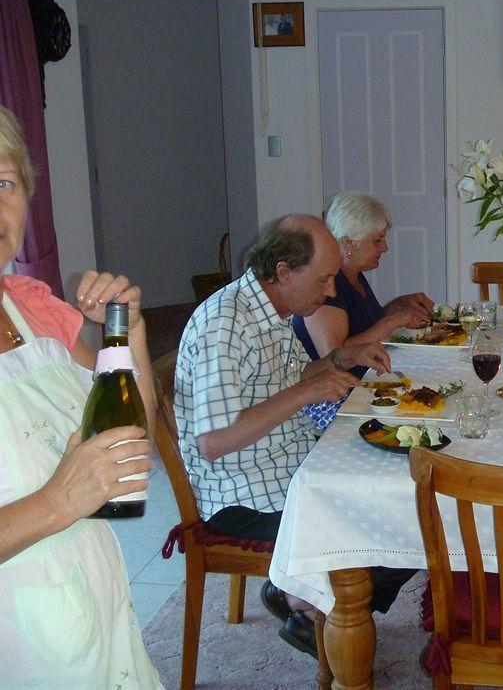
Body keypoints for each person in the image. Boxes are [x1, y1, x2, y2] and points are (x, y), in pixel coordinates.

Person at [174, 214, 413, 657]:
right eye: (323, 280)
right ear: (283, 272)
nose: (329, 291)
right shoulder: (225, 324)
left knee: (407, 498)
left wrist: (342, 357)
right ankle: (307, 605)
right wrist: (308, 391)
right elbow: (214, 441)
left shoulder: (271, 308)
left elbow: (287, 377)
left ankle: (301, 597)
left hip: (289, 460)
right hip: (242, 497)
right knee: (395, 527)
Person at [0, 106, 162, 687]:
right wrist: (58, 500)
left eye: (5, 181)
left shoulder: (31, 306)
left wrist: (129, 331)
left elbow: (131, 438)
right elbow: (69, 494)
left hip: (94, 610)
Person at [293, 192, 434, 378]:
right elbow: (334, 356)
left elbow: (361, 325)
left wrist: (398, 306)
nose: (385, 247)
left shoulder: (353, 274)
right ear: (349, 243)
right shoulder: (327, 283)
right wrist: (393, 320)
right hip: (337, 390)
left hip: (365, 377)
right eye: (377, 240)